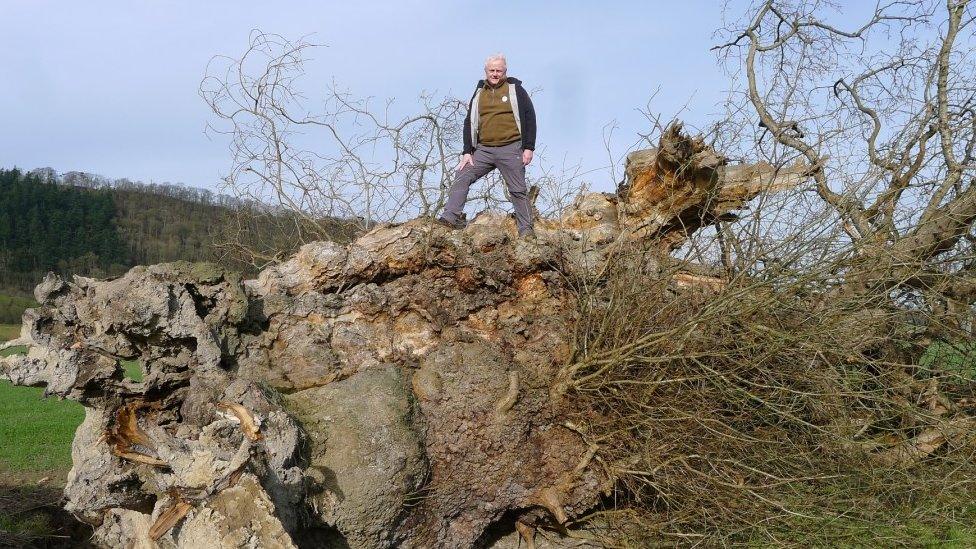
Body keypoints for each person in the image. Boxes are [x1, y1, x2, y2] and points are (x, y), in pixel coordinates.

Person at [437, 53, 537, 237]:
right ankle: (449, 218)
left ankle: (526, 231)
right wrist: (467, 152)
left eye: (499, 70)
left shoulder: (515, 90)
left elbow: (530, 116)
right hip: (483, 149)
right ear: (486, 71)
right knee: (461, 175)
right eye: (492, 70)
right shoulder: (479, 92)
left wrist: (529, 147)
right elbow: (469, 122)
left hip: (511, 148)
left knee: (518, 189)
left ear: (505, 71)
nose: (495, 73)